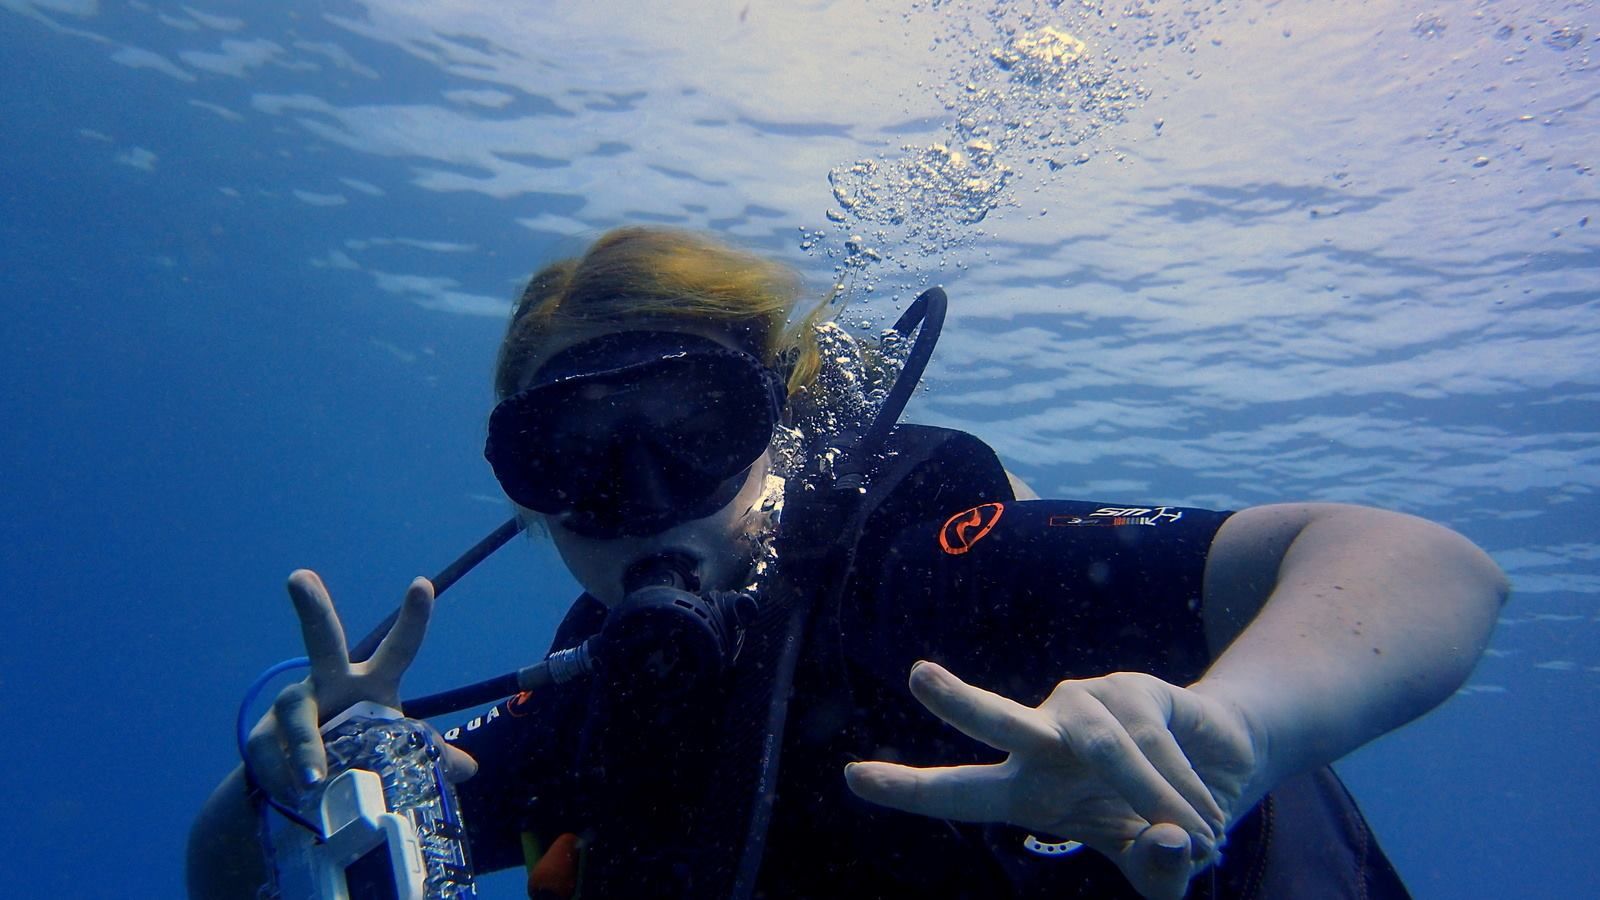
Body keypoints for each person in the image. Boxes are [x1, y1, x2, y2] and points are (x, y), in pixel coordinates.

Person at [188, 227, 1508, 900]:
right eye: (574, 464)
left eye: (691, 433)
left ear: (781, 430)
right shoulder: (588, 720)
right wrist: (295, 783)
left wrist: (1228, 725)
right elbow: (225, 876)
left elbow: (1426, 566)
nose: (644, 508)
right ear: (529, 506)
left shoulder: (941, 573)